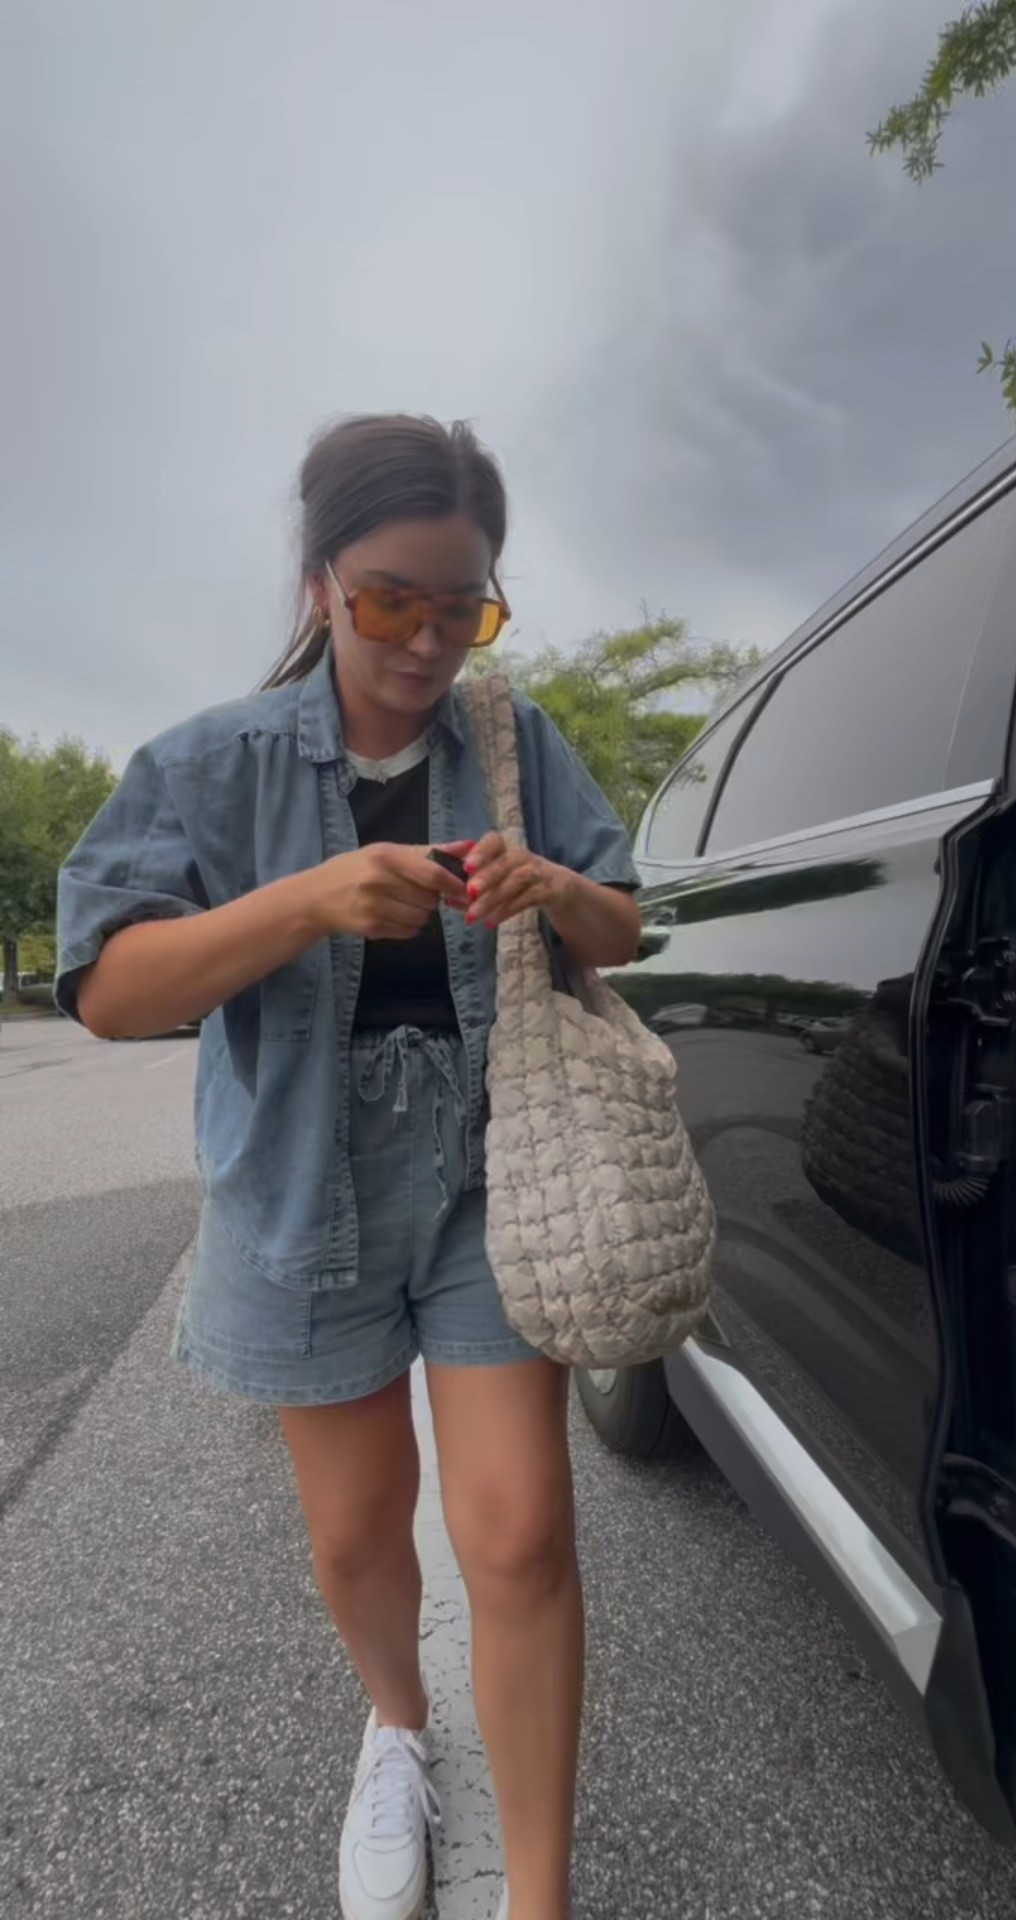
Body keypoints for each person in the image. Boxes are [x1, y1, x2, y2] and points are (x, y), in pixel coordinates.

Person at [56, 414, 642, 1920]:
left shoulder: (513, 744)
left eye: (466, 608)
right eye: (395, 600)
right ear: (322, 585)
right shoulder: (209, 767)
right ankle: (398, 1727)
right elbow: (114, 987)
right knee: (359, 1527)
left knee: (515, 1527)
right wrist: (309, 901)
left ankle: (540, 1895)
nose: (429, 640)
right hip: (303, 1190)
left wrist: (555, 885)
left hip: (487, 1177)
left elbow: (626, 927)